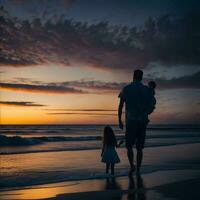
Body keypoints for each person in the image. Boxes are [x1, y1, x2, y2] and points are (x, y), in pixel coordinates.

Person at [118, 69, 156, 174]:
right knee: (140, 148)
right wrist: (147, 112)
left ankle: (132, 166)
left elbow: (121, 105)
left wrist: (119, 120)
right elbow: (152, 104)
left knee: (129, 146)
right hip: (142, 121)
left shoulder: (126, 88)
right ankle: (138, 168)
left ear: (133, 76)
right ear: (141, 77)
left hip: (131, 121)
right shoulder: (146, 90)